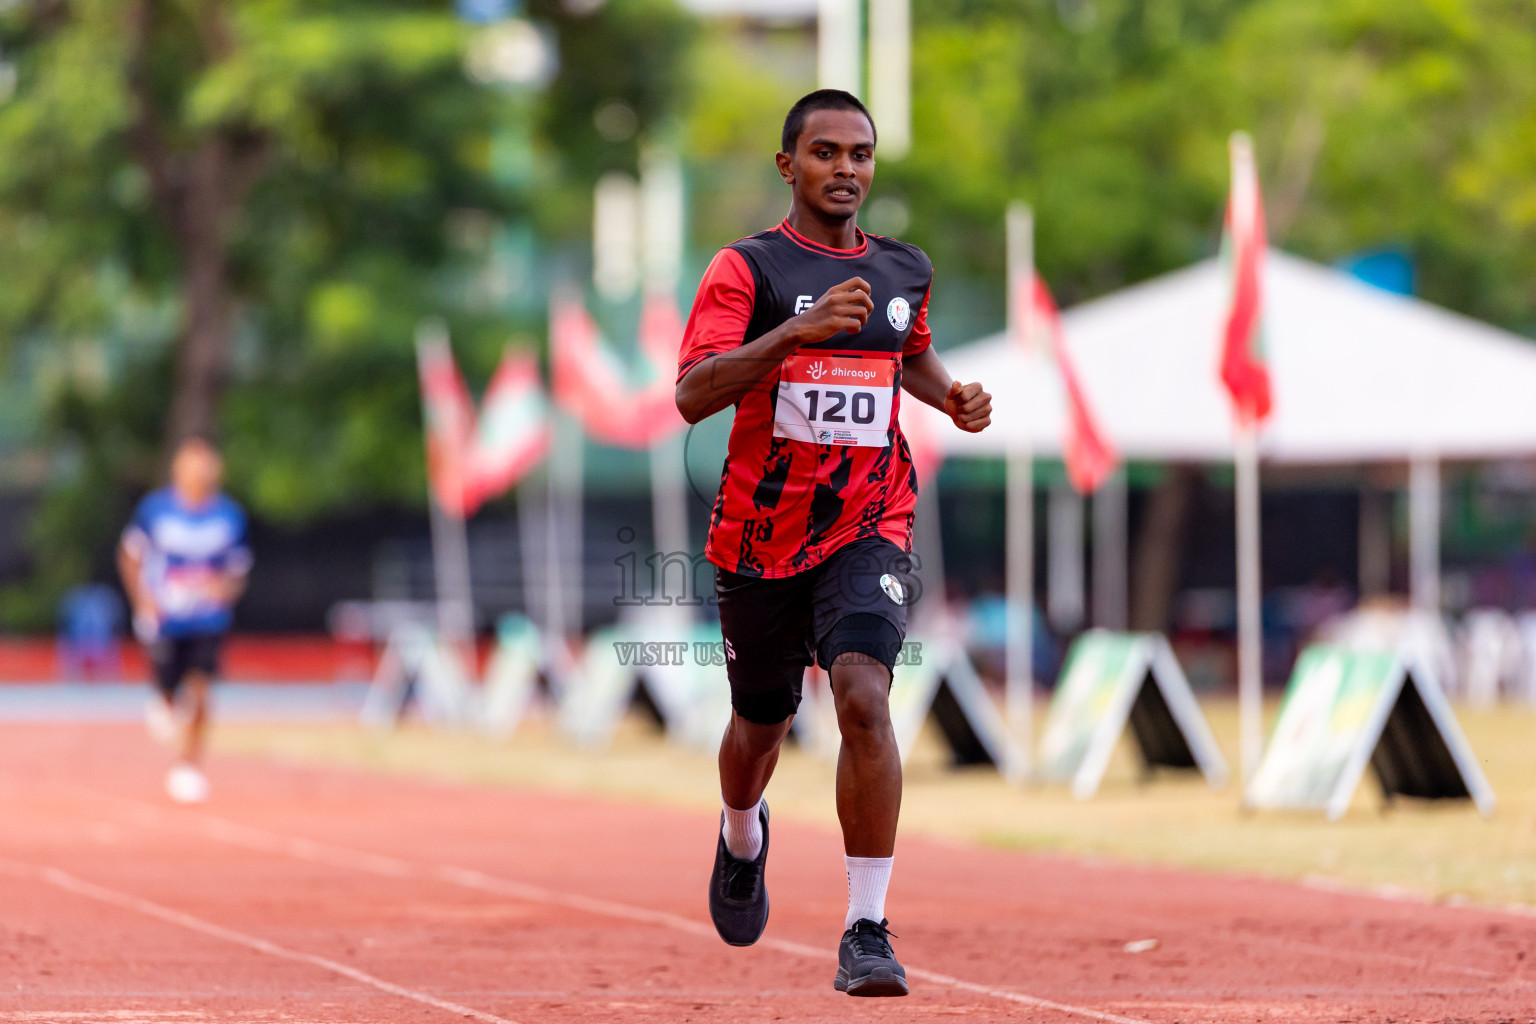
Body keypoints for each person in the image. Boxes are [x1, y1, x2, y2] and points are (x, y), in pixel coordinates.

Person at [674, 89, 991, 997]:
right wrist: (793, 334)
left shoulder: (903, 269)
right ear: (789, 166)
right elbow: (693, 394)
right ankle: (742, 833)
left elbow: (906, 351)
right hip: (759, 537)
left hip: (870, 521)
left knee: (862, 696)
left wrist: (949, 395)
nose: (845, 169)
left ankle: (866, 928)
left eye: (860, 153)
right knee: (759, 727)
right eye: (825, 153)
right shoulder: (748, 269)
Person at [117, 436, 252, 804]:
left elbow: (237, 571)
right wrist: (143, 600)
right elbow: (130, 555)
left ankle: (188, 765)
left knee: (201, 689)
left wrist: (222, 589)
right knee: (168, 692)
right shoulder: (155, 510)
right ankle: (163, 699)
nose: (199, 473)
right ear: (178, 470)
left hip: (208, 619)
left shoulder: (229, 516)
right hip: (166, 618)